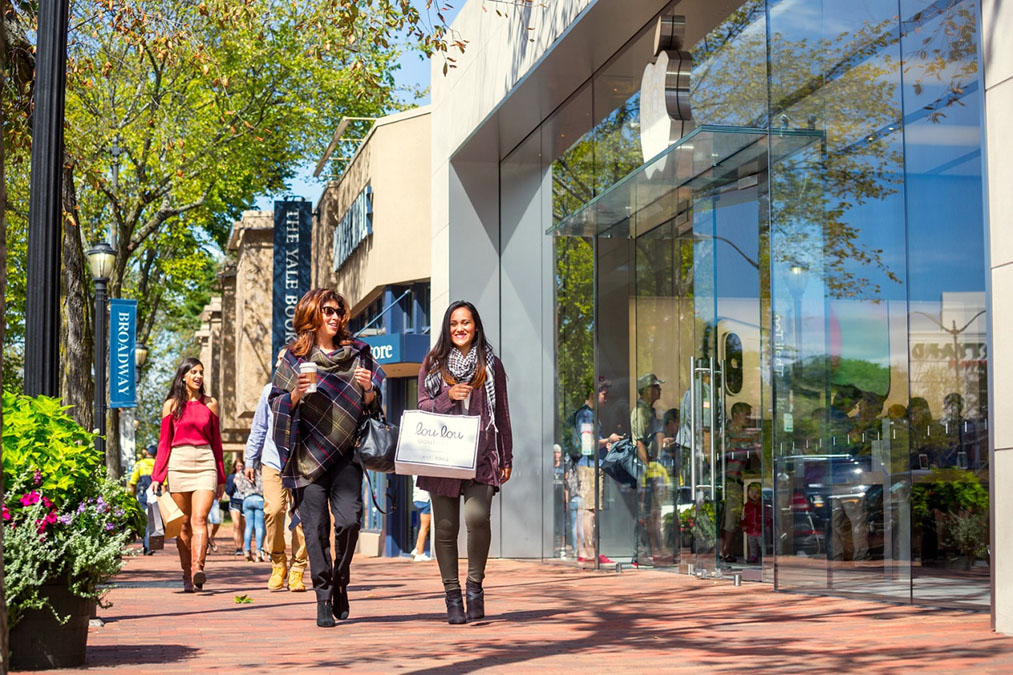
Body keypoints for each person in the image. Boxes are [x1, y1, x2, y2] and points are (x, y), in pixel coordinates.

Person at [269, 288, 384, 628]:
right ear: (312, 315)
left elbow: (374, 407)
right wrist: (295, 393)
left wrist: (367, 391)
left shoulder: (358, 355)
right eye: (328, 311)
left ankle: (341, 579)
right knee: (315, 529)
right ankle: (322, 596)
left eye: (339, 311)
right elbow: (275, 403)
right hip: (307, 457)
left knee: (349, 522)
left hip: (346, 454)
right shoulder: (292, 358)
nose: (335, 317)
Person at [417, 300, 512, 625]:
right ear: (448, 327)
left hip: (482, 457)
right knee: (445, 529)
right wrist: (447, 397)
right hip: (442, 457)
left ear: (475, 326)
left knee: (477, 518)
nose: (460, 328)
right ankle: (452, 595)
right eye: (455, 323)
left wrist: (506, 455)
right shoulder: (432, 363)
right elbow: (422, 405)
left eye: (466, 323)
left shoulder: (491, 363)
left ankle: (474, 587)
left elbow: (502, 414)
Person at [151, 357, 226, 593]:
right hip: (178, 463)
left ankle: (197, 570)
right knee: (183, 524)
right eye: (193, 372)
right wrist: (157, 476)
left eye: (201, 372)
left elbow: (217, 443)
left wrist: (221, 478)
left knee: (199, 519)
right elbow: (164, 442)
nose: (198, 376)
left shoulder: (211, 404)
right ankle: (186, 574)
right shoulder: (171, 405)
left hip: (205, 462)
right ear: (183, 376)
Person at [246, 377, 308, 591]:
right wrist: (249, 459)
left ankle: (298, 569)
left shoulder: (310, 386)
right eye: (279, 361)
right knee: (273, 511)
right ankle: (278, 562)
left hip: (303, 462)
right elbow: (260, 426)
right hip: (273, 460)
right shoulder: (269, 391)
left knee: (302, 517)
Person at [569, 379, 620, 563]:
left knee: (586, 510)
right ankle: (589, 552)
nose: (606, 399)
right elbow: (588, 444)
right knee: (589, 511)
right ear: (593, 394)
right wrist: (609, 439)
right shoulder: (587, 415)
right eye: (604, 395)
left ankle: (584, 551)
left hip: (587, 465)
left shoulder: (586, 415)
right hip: (589, 466)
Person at [630, 373, 669, 565]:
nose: (659, 390)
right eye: (656, 387)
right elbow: (639, 443)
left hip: (652, 465)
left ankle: (650, 551)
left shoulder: (650, 411)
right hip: (645, 468)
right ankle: (640, 552)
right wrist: (648, 468)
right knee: (644, 512)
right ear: (646, 390)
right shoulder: (641, 412)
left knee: (652, 510)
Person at [127, 444, 157, 555]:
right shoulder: (158, 465)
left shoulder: (139, 464)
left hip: (142, 496)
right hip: (155, 496)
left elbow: (133, 482)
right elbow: (164, 484)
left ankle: (147, 545)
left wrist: (132, 497)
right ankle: (149, 545)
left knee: (146, 520)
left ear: (146, 452)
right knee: (153, 520)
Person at [235, 464, 266, 562]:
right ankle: (258, 551)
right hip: (259, 498)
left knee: (248, 526)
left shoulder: (242, 473)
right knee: (259, 526)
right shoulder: (260, 472)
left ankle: (247, 550)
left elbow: (239, 487)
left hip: (247, 499)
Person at [225, 458, 246, 555]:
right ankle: (238, 548)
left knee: (243, 527)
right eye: (238, 466)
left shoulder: (247, 476)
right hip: (234, 503)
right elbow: (228, 491)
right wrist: (233, 482)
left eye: (241, 466)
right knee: (236, 525)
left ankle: (242, 545)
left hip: (244, 503)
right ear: (235, 467)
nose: (240, 468)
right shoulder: (231, 477)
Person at [410, 476, 432, 562]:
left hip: (417, 497)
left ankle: (416, 549)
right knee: (425, 527)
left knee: (422, 527)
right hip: (425, 499)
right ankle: (420, 554)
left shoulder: (415, 468)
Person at [741, 483, 763, 564]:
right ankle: (753, 556)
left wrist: (766, 524)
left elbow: (766, 515)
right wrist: (743, 525)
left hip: (760, 529)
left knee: (762, 544)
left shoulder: (761, 505)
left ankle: (765, 556)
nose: (754, 494)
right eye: (752, 492)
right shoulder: (746, 506)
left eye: (757, 492)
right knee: (752, 544)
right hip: (750, 529)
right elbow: (743, 517)